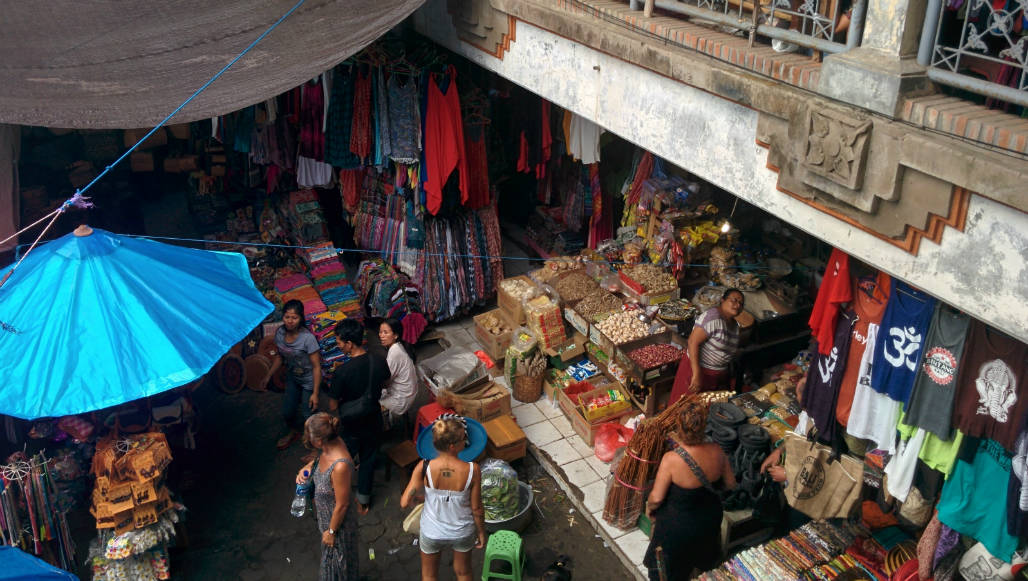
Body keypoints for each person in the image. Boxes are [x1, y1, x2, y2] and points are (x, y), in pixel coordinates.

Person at [644, 400, 737, 581]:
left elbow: (656, 498)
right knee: (700, 564)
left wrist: (649, 508)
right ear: (703, 426)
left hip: (678, 527)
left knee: (666, 570)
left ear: (678, 426)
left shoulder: (672, 459)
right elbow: (731, 484)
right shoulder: (717, 451)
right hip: (708, 521)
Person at [401, 416, 486, 581]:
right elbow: (476, 509)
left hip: (432, 531)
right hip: (462, 531)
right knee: (463, 572)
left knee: (429, 575)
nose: (466, 440)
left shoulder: (423, 467)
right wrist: (481, 532)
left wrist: (420, 500)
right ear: (453, 446)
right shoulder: (472, 470)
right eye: (464, 438)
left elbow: (404, 502)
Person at [326, 318, 391, 514]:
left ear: (349, 344)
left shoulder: (342, 372)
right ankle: (363, 500)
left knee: (342, 457)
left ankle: (333, 494)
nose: (338, 346)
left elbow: (332, 404)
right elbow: (386, 383)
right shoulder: (378, 359)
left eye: (339, 343)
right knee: (368, 458)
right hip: (373, 419)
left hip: (351, 424)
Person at [295, 413, 359, 580]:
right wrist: (307, 469)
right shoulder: (329, 445)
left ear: (318, 441)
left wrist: (331, 531)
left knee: (336, 568)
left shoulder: (340, 467)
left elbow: (342, 504)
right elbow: (320, 459)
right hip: (327, 519)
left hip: (338, 526)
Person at [669, 288, 745, 402]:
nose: (737, 305)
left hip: (716, 376)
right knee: (684, 409)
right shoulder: (712, 317)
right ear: (722, 300)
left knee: (705, 412)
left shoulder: (734, 325)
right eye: (734, 300)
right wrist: (696, 374)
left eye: (741, 303)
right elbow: (692, 342)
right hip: (698, 372)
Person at [266, 300, 323, 450]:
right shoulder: (279, 333)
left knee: (308, 414)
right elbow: (279, 357)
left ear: (301, 318)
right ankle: (294, 432)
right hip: (293, 377)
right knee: (287, 411)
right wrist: (268, 375)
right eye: (287, 317)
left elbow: (317, 367)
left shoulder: (307, 339)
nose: (290, 321)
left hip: (309, 380)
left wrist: (315, 393)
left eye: (294, 318)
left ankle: (317, 450)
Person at [378, 318, 418, 421]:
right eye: (380, 332)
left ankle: (386, 427)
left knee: (370, 405)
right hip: (409, 391)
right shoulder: (398, 346)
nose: (381, 335)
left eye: (385, 332)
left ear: (395, 335)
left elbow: (385, 382)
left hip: (402, 398)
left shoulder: (395, 352)